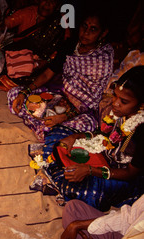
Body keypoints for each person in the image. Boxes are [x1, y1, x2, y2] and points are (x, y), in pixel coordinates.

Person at [41, 66, 144, 211]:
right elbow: (103, 135)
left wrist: (90, 171)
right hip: (103, 154)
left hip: (123, 176)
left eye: (124, 101)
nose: (115, 103)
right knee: (58, 134)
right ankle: (60, 170)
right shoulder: (118, 112)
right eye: (114, 95)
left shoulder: (141, 130)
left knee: (86, 191)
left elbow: (131, 174)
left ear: (142, 105)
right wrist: (75, 137)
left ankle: (57, 173)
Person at [8, 7, 114, 142]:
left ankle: (47, 128)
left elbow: (92, 100)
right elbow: (48, 74)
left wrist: (64, 116)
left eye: (93, 29)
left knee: (86, 126)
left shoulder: (103, 57)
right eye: (84, 26)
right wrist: (25, 92)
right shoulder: (70, 45)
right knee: (15, 94)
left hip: (81, 111)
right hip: (59, 96)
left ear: (103, 33)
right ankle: (46, 128)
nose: (86, 32)